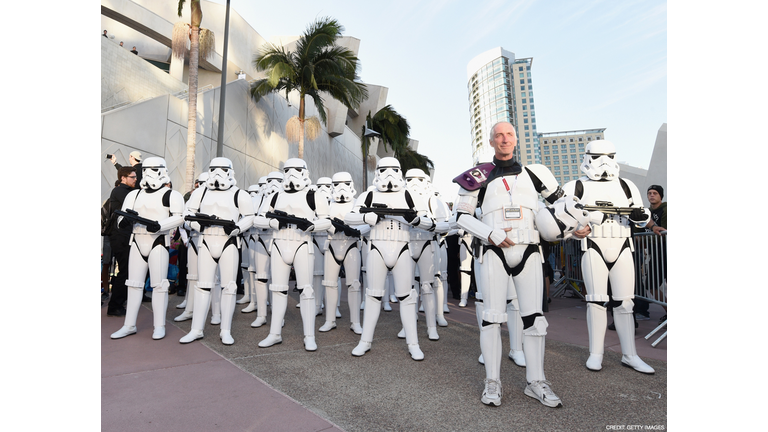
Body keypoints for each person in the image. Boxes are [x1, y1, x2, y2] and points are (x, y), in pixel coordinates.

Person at [453, 121, 577, 408]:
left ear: (516, 139)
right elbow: (462, 216)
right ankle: (492, 381)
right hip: (494, 251)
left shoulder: (536, 173)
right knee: (491, 318)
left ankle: (536, 381)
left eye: (509, 134)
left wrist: (574, 228)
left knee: (534, 319)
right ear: (491, 141)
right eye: (499, 135)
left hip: (530, 250)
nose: (504, 139)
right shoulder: (478, 175)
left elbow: (563, 207)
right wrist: (490, 233)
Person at [565, 140, 655, 375]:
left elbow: (643, 217)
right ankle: (596, 353)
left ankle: (630, 355)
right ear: (587, 158)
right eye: (598, 157)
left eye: (609, 156)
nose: (604, 162)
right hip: (593, 245)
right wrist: (576, 230)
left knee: (626, 302)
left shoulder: (627, 186)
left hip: (623, 244)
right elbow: (562, 220)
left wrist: (638, 215)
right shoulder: (575, 186)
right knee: (595, 300)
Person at [346, 157, 435, 361]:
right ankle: (365, 341)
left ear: (399, 171)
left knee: (407, 297)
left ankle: (413, 344)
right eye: (383, 170)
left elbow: (429, 221)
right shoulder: (368, 195)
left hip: (402, 246)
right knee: (372, 295)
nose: (388, 175)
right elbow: (349, 217)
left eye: (393, 170)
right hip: (376, 246)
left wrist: (415, 220)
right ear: (377, 172)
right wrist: (366, 217)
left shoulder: (409, 194)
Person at [253, 159, 332, 352]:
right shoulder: (275, 196)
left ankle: (309, 336)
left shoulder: (314, 195)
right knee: (278, 289)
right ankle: (274, 333)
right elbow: (258, 218)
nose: (291, 174)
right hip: (279, 243)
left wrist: (312, 225)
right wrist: (273, 224)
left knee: (306, 291)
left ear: (304, 172)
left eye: (296, 170)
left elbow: (327, 221)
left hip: (303, 244)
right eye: (287, 170)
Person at [179, 158, 255, 345]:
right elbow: (187, 215)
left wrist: (237, 228)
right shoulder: (200, 192)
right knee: (202, 285)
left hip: (228, 241)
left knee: (229, 287)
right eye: (214, 169)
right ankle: (196, 329)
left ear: (230, 171)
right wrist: (198, 224)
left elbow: (250, 217)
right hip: (206, 240)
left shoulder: (239, 194)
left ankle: (226, 330)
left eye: (222, 170)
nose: (218, 174)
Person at [110, 158, 185, 340]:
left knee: (159, 286)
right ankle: (129, 325)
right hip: (136, 241)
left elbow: (179, 217)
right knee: (134, 284)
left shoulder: (171, 195)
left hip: (158, 242)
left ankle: (159, 326)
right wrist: (126, 220)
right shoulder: (133, 195)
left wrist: (159, 225)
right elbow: (121, 219)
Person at [319, 172, 367, 333]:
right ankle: (330, 320)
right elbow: (321, 221)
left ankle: (355, 322)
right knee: (330, 283)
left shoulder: (357, 203)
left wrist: (355, 231)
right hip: (332, 244)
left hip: (351, 245)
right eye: (337, 184)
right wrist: (332, 228)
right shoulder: (326, 203)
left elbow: (366, 223)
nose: (341, 187)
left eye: (345, 183)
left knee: (354, 284)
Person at [106, 167, 137, 317]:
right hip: (120, 236)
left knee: (128, 270)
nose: (135, 180)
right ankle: (114, 306)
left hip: (124, 236)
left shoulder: (129, 191)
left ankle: (120, 302)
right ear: (123, 178)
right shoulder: (120, 191)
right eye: (132, 177)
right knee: (124, 270)